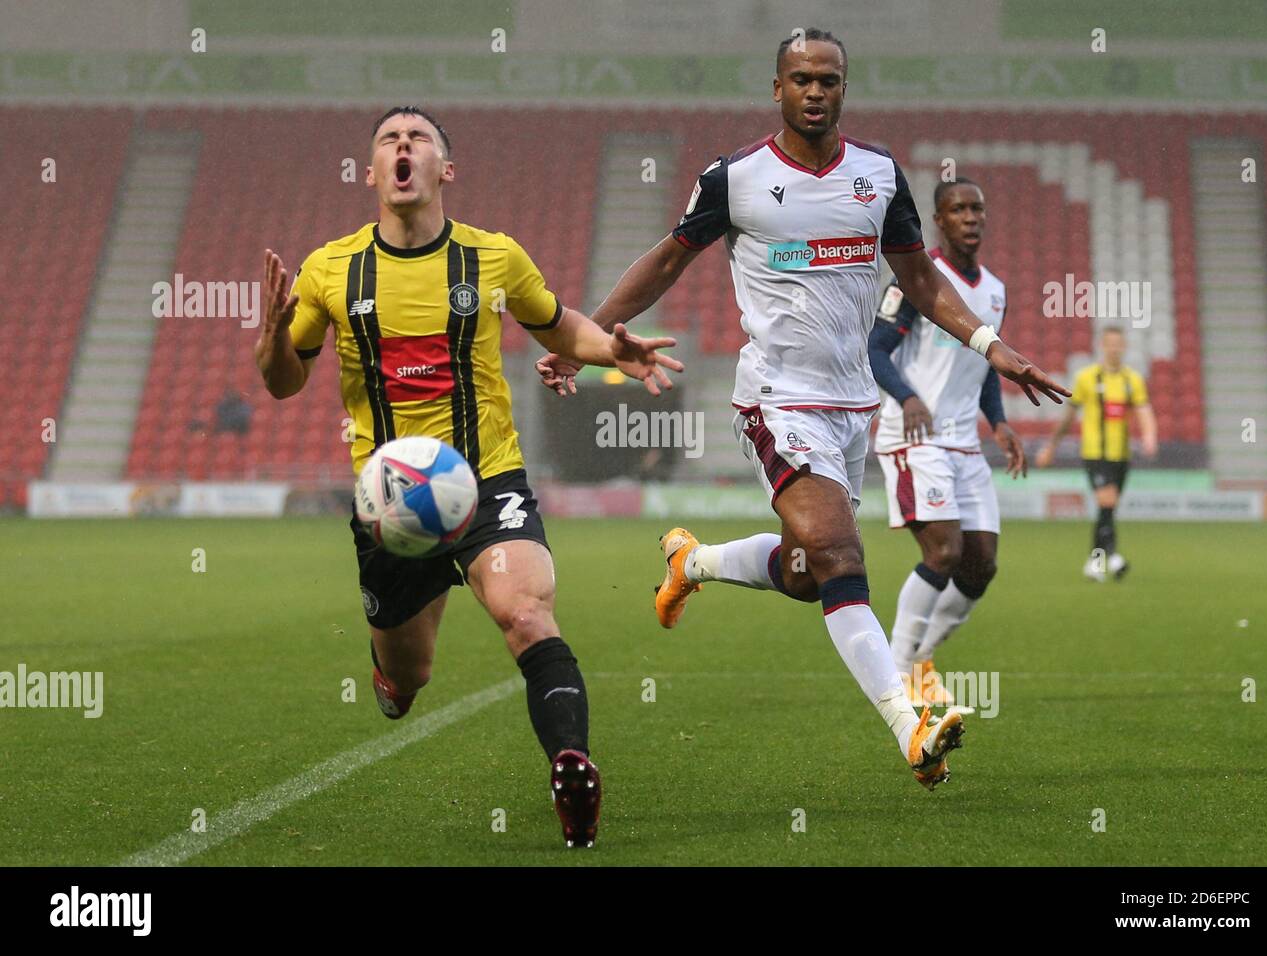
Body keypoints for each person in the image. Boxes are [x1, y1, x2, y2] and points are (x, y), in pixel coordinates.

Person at [535, 32, 1069, 790]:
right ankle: (908, 724)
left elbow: (919, 280)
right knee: (842, 556)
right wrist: (580, 338)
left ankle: (696, 562)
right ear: (776, 88)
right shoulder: (736, 179)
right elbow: (666, 260)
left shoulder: (878, 175)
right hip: (778, 399)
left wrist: (992, 345)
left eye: (830, 80)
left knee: (806, 570)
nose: (816, 91)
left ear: (845, 89)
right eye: (802, 79)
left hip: (855, 405)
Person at [254, 106, 682, 847]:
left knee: (526, 614)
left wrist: (615, 351)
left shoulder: (493, 257)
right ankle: (394, 679)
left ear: (444, 169)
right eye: (389, 139)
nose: (403, 147)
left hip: (487, 480)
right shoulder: (332, 269)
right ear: (371, 171)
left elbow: (558, 325)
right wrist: (269, 343)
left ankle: (571, 768)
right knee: (410, 675)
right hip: (390, 502)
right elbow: (284, 383)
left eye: (418, 139)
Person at [868, 178, 1025, 708]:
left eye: (977, 207)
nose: (970, 217)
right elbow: (877, 349)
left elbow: (982, 362)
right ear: (939, 220)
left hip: (963, 441)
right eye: (958, 209)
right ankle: (894, 677)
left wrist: (998, 422)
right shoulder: (919, 277)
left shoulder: (996, 290)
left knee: (981, 565)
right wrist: (909, 397)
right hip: (915, 435)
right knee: (943, 551)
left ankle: (920, 659)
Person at [1036, 325, 1157, 581]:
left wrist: (1149, 436)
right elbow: (1069, 416)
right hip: (1094, 453)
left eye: (1118, 344)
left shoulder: (1131, 380)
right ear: (1102, 346)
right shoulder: (1086, 378)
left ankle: (1097, 560)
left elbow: (1144, 409)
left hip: (1120, 455)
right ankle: (1111, 556)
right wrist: (1051, 446)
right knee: (1107, 502)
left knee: (1108, 509)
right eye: (1109, 343)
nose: (1114, 348)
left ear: (1123, 347)